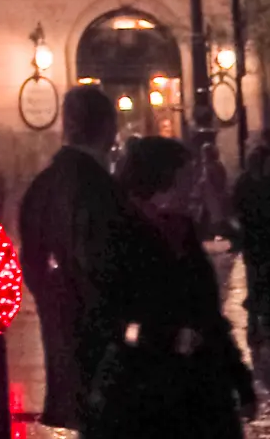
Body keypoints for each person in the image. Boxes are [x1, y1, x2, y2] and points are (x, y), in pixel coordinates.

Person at [89, 135, 255, 439]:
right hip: (143, 396)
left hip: (202, 393)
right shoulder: (119, 235)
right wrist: (162, 336)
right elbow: (107, 317)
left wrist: (241, 382)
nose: (194, 188)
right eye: (186, 179)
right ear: (160, 180)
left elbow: (209, 315)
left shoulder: (184, 233)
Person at [18, 83, 128, 430]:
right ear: (109, 129)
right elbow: (101, 255)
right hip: (100, 327)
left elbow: (31, 255)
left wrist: (50, 296)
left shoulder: (47, 182)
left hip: (65, 319)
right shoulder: (95, 185)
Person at [233, 141, 270, 347]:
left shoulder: (247, 182)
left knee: (257, 280)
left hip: (257, 239)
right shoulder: (250, 183)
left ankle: (257, 322)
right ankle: (255, 323)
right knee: (257, 280)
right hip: (256, 239)